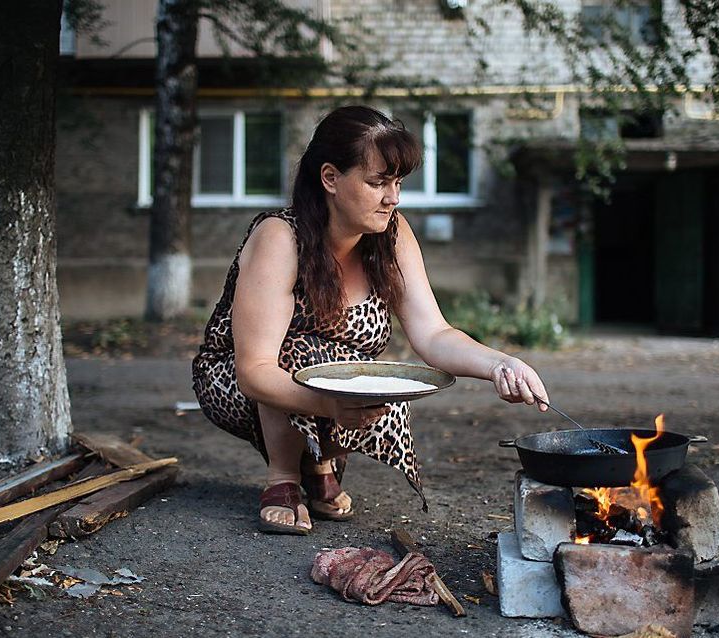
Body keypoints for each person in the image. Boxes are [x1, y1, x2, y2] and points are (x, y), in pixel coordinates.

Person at [192, 105, 549, 536]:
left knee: (356, 371)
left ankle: (319, 462)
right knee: (298, 350)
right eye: (377, 182)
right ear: (330, 179)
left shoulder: (392, 234)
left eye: (397, 182)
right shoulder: (280, 238)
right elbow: (255, 372)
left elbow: (434, 333)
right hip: (236, 380)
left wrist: (499, 365)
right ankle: (283, 477)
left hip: (330, 385)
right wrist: (331, 406)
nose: (392, 198)